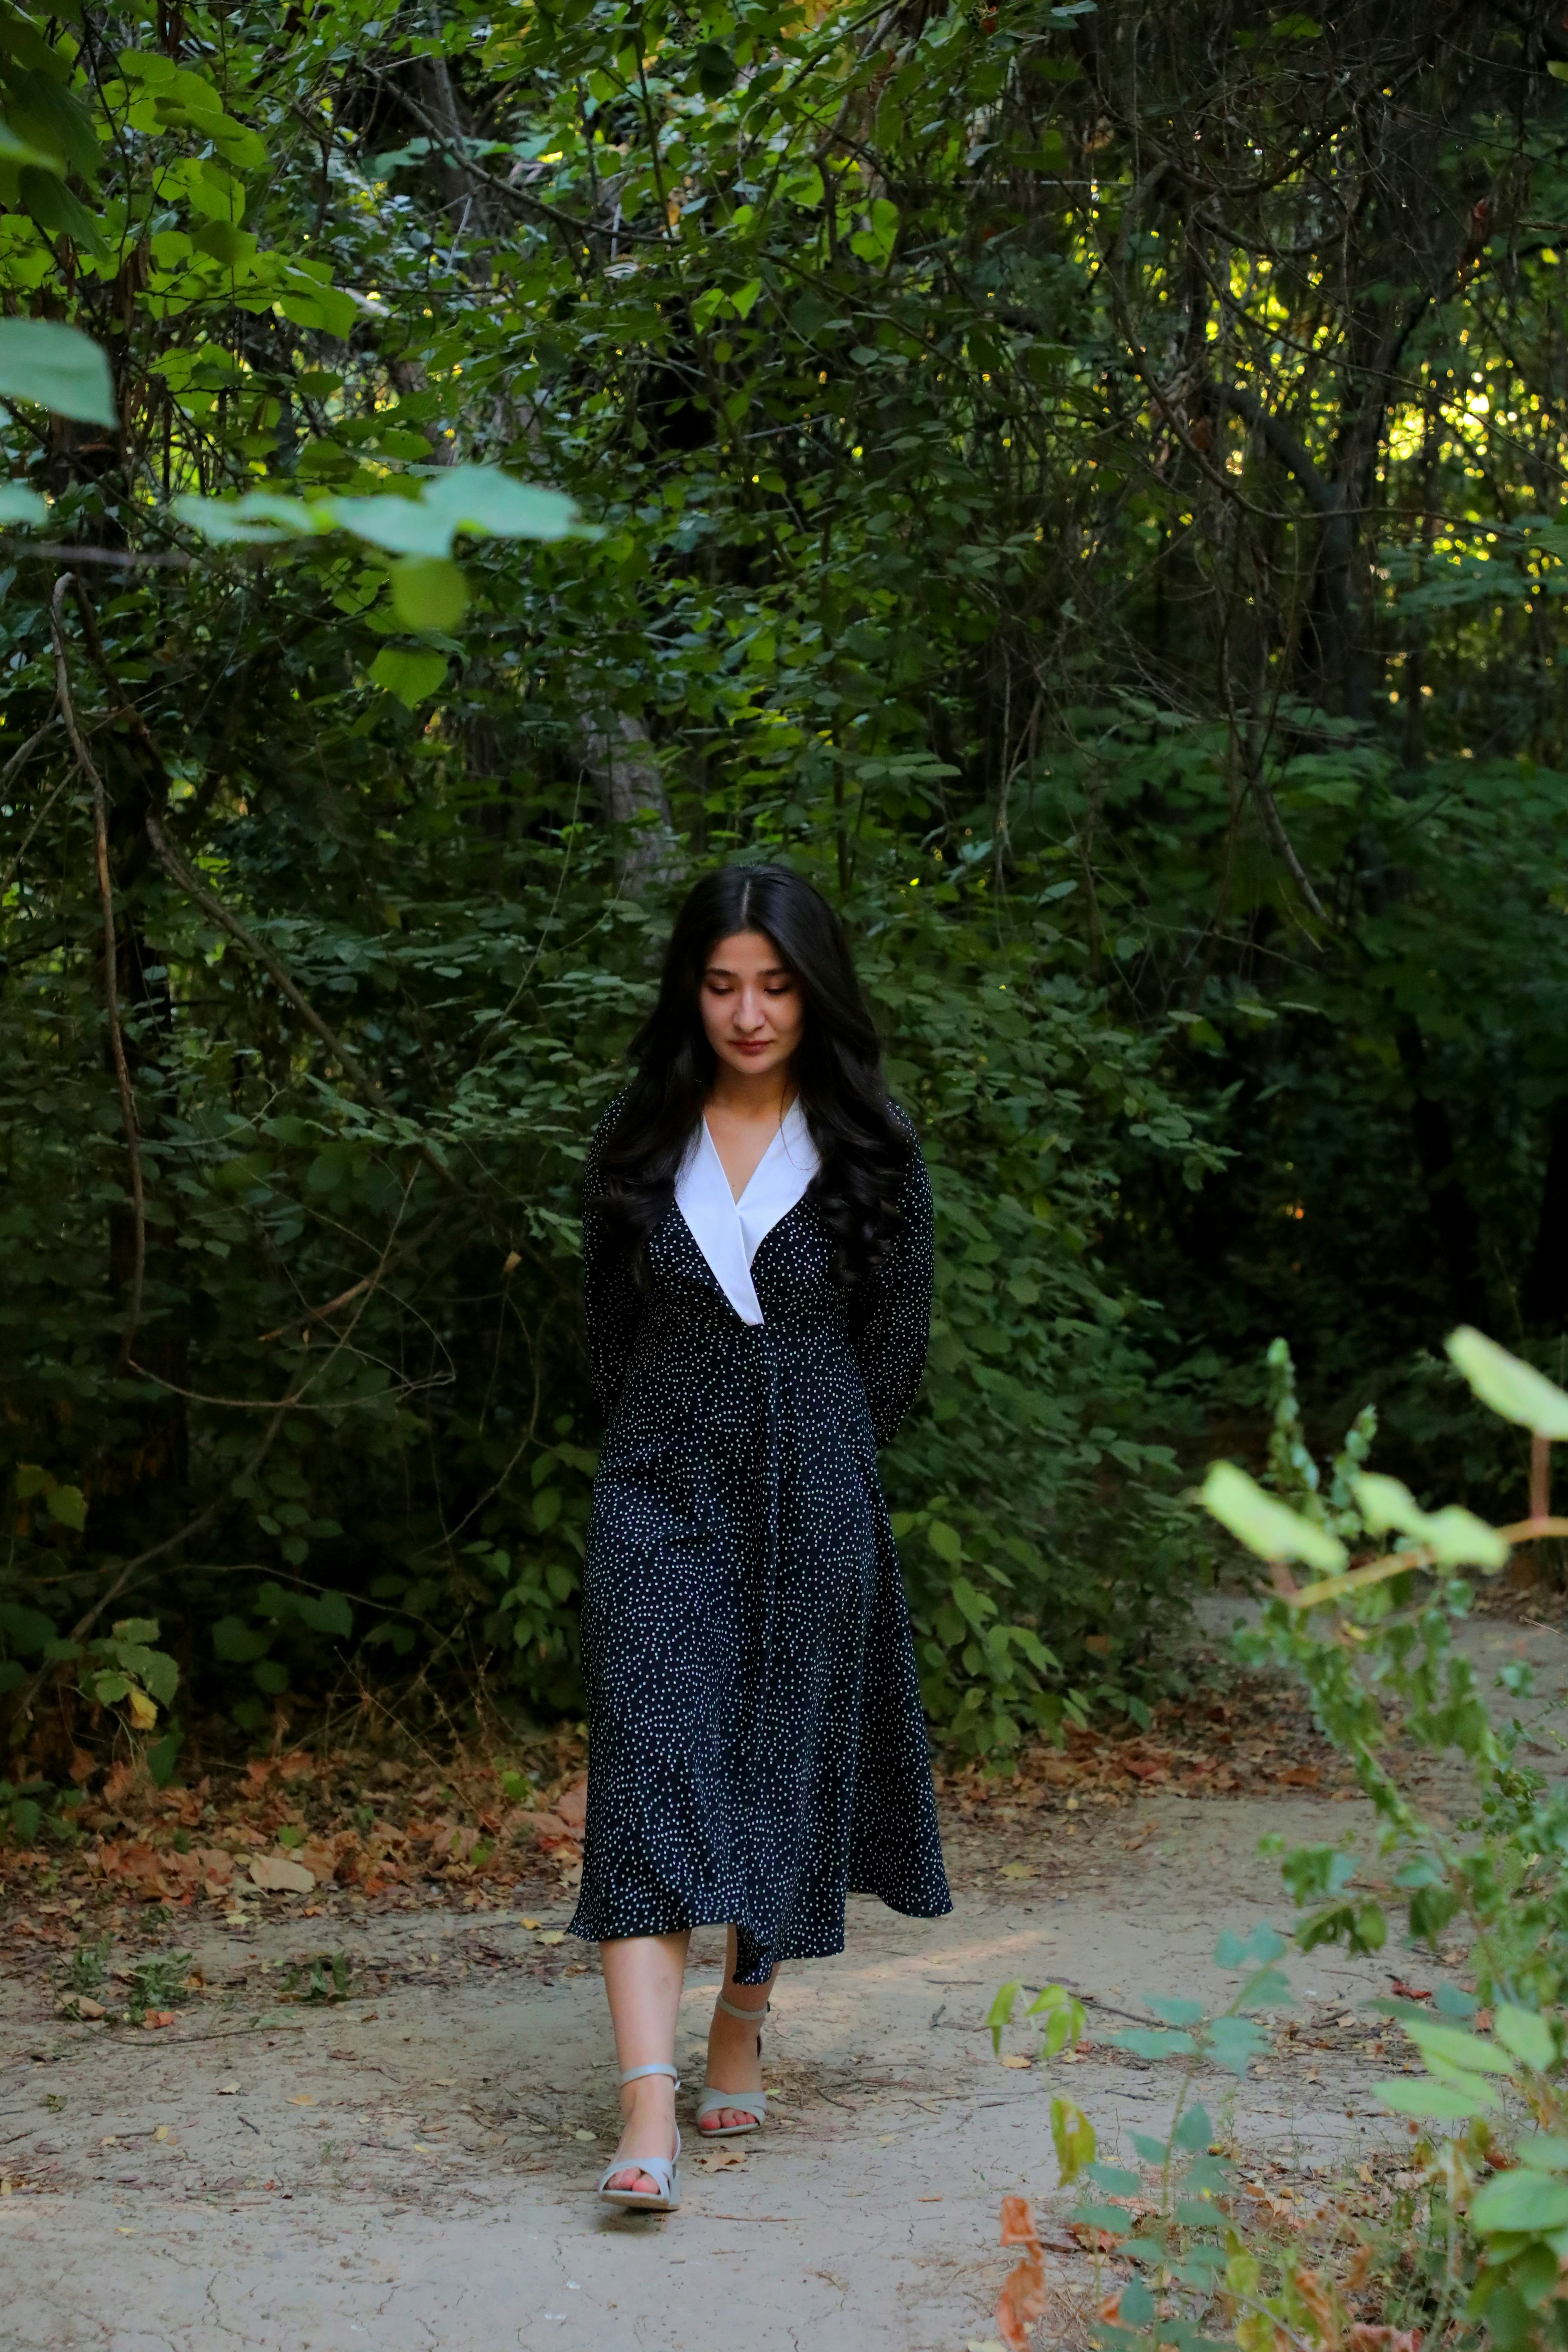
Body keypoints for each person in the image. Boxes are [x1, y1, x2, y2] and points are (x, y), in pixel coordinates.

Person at [570, 863, 951, 2215]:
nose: (749, 1012)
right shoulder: (637, 1134)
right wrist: (683, 1434)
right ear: (690, 989)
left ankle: (740, 2028)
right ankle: (647, 2107)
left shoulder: (874, 1150)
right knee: (652, 1767)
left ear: (815, 991)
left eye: (777, 985)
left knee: (785, 1776)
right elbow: (607, 1341)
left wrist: (808, 1439)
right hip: (659, 1489)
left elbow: (892, 1364)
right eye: (724, 984)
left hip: (817, 1490)